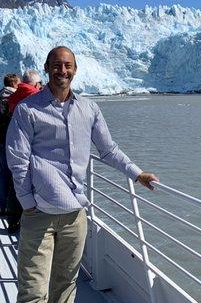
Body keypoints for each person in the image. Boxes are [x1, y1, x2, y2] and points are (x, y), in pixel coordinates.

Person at [6, 46, 159, 303]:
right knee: (33, 291)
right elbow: (17, 160)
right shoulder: (27, 110)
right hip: (39, 214)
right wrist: (28, 204)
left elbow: (108, 150)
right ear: (46, 68)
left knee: (65, 287)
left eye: (67, 65)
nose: (62, 71)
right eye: (56, 65)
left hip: (75, 215)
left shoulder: (89, 109)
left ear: (75, 70)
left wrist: (137, 174)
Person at [4, 70, 43, 233]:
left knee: (16, 183)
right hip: (32, 146)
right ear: (35, 84)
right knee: (35, 184)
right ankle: (32, 221)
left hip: (14, 143)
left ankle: (13, 220)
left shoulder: (14, 96)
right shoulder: (33, 95)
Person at [0, 73, 21, 215]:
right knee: (14, 174)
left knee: (2, 174)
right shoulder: (14, 99)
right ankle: (12, 209)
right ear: (13, 84)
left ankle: (2, 206)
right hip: (11, 142)